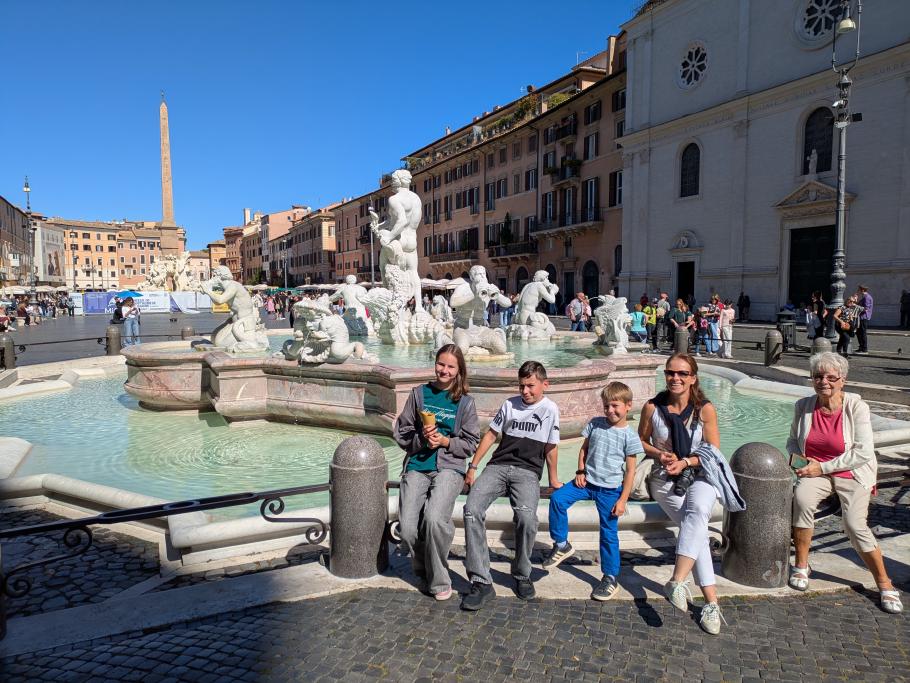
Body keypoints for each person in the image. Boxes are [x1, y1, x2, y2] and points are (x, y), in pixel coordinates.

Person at [788, 352, 902, 614]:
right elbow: (792, 440)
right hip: (816, 471)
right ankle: (801, 565)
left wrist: (822, 467)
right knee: (802, 500)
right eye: (818, 376)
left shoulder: (857, 407)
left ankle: (884, 582)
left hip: (852, 471)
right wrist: (800, 462)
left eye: (831, 377)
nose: (823, 382)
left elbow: (863, 452)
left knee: (854, 524)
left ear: (843, 380)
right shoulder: (803, 406)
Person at [638, 353, 728, 635]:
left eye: (682, 374)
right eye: (670, 373)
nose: (675, 378)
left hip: (700, 474)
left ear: (693, 378)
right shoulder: (652, 407)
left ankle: (677, 580)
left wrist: (687, 461)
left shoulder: (705, 409)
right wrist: (660, 454)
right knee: (697, 527)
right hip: (664, 477)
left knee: (697, 515)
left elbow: (713, 451)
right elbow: (640, 441)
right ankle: (711, 603)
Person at [461, 361, 561, 610]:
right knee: (471, 509)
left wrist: (553, 478)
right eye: (521, 386)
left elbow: (551, 446)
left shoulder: (550, 409)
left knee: (526, 517)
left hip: (528, 472)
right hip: (498, 466)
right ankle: (481, 580)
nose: (525, 391)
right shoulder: (509, 404)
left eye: (530, 386)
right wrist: (473, 467)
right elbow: (490, 435)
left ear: (545, 385)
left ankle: (522, 573)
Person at [393, 344, 480, 601]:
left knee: (434, 519)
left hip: (449, 467)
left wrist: (445, 441)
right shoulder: (419, 394)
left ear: (459, 370)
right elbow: (402, 432)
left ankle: (439, 579)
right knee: (407, 528)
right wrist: (422, 437)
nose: (444, 370)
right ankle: (423, 567)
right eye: (441, 364)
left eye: (451, 366)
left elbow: (471, 443)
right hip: (417, 465)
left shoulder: (465, 402)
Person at [542, 382, 643, 601]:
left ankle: (610, 577)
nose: (610, 410)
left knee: (608, 533)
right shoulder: (595, 423)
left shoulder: (630, 436)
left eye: (615, 406)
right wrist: (580, 470)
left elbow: (630, 472)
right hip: (586, 482)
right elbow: (584, 449)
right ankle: (561, 544)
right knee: (558, 499)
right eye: (606, 406)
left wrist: (623, 499)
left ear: (628, 406)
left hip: (610, 491)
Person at [855, 284, 873, 353]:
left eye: (858, 289)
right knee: (858, 332)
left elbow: (866, 308)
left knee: (862, 333)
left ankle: (864, 348)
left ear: (862, 290)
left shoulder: (867, 297)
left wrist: (855, 306)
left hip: (864, 317)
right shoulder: (864, 297)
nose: (857, 291)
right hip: (861, 317)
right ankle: (861, 347)